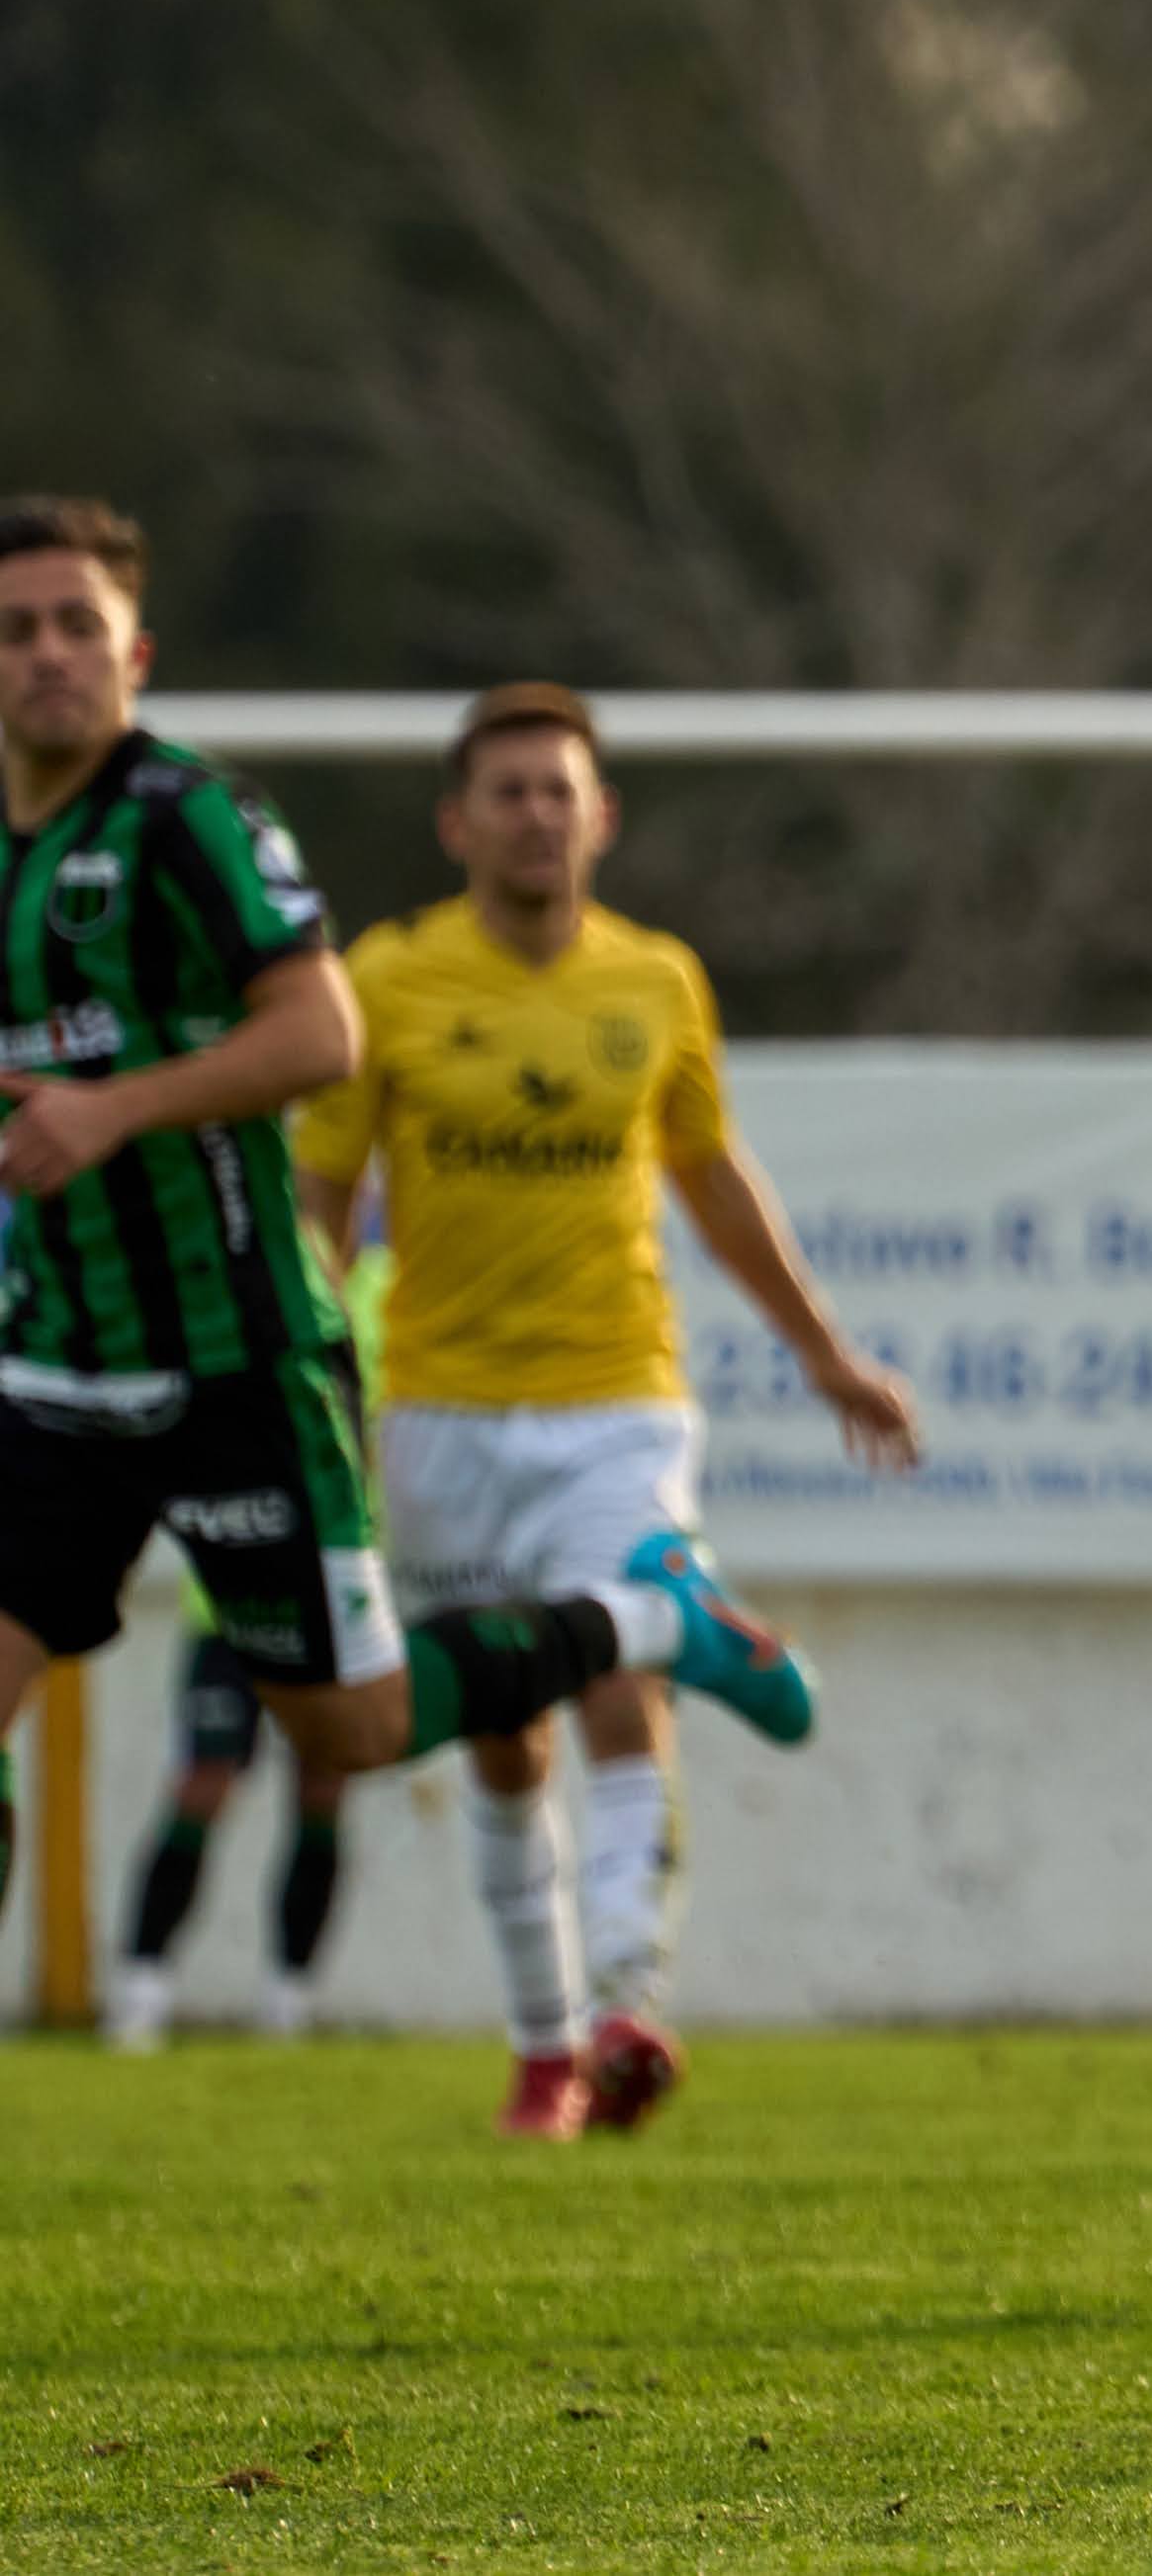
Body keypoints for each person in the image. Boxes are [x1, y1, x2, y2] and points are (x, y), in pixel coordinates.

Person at [0, 499, 815, 1985]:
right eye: (18, 630)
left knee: (357, 1732)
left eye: (77, 628)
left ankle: (644, 1615)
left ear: (136, 656)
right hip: (56, 1365)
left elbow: (315, 1031)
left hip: (234, 1356)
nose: (48, 657)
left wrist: (117, 1113)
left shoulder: (188, 819)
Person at [291, 681, 919, 2139]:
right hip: (439, 1408)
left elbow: (710, 1175)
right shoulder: (386, 981)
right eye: (505, 791)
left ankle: (633, 2002)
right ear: (456, 822)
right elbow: (322, 1190)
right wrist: (306, 1364)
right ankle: (543, 2042)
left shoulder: (656, 981)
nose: (534, 814)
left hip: (615, 1397)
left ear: (602, 816)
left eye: (557, 789)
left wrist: (825, 1353)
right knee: (504, 1735)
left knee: (611, 1684)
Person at [99, 1563, 354, 2050]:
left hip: (329, 1621)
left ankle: (289, 1998)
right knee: (201, 1788)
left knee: (322, 1791)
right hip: (227, 1619)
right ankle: (141, 1987)